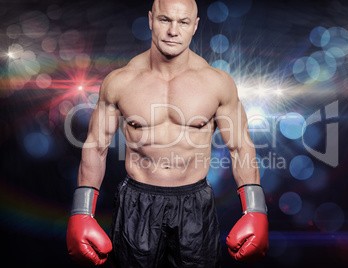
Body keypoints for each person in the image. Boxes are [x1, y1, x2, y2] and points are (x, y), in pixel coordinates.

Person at [66, 0, 269, 267]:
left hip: (195, 204)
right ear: (151, 20)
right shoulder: (121, 81)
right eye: (165, 20)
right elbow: (96, 145)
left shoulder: (217, 83)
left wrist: (255, 208)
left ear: (194, 26)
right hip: (137, 204)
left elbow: (241, 146)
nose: (173, 30)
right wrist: (82, 212)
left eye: (183, 22)